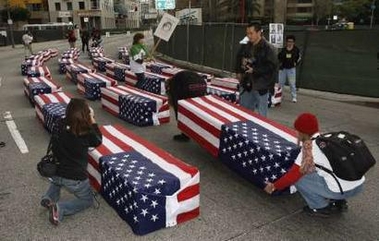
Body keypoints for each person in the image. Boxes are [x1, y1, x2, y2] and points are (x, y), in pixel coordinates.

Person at [264, 113, 364, 217]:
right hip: (357, 186)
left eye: (297, 130)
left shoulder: (310, 149)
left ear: (302, 132)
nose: (296, 133)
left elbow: (292, 176)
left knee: (300, 178)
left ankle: (320, 207)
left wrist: (274, 186)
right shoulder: (328, 139)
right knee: (321, 171)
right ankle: (339, 201)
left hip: (343, 190)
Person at [41, 98, 102, 225]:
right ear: (85, 114)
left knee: (57, 182)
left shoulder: (59, 123)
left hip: (56, 171)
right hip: (75, 178)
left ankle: (48, 198)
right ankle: (60, 208)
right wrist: (92, 120)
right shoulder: (85, 132)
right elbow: (98, 140)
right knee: (87, 200)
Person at [235, 23, 278, 117]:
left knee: (262, 116)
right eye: (247, 33)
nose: (249, 36)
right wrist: (238, 71)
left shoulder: (269, 48)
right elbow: (238, 58)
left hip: (261, 85)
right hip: (246, 84)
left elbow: (272, 67)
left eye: (251, 33)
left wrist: (255, 70)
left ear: (259, 32)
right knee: (244, 113)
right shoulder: (245, 46)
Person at [166, 71, 207, 142]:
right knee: (197, 108)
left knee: (181, 110)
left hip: (189, 87)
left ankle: (185, 134)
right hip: (202, 84)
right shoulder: (179, 77)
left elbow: (176, 104)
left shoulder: (174, 83)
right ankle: (201, 131)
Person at [278, 35, 301, 103]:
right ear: (286, 42)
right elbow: (279, 57)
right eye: (288, 41)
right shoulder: (283, 49)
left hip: (291, 69)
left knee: (292, 83)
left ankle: (294, 97)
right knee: (281, 83)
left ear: (294, 42)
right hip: (283, 69)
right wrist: (280, 63)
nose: (290, 43)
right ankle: (279, 96)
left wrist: (295, 63)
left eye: (291, 42)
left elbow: (299, 58)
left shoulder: (296, 50)